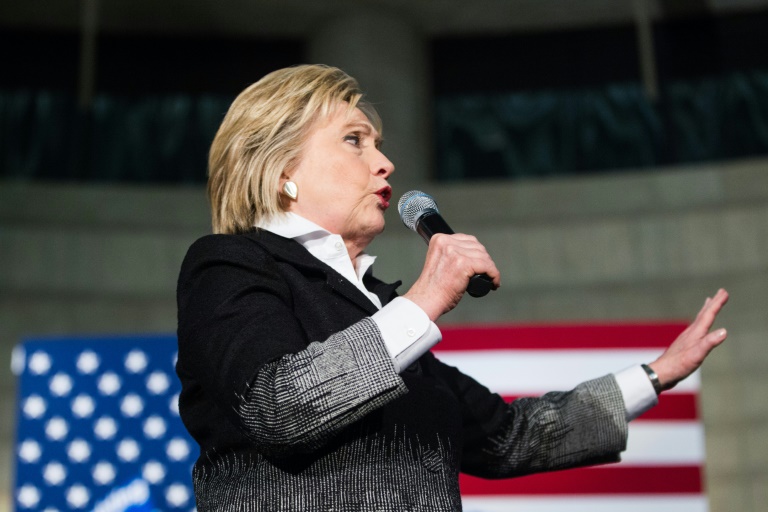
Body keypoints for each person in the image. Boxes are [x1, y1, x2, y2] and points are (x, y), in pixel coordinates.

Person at [175, 64, 729, 511]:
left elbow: (510, 435)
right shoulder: (229, 265)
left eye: (379, 143)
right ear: (279, 170)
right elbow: (281, 406)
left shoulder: (381, 311)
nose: (385, 162)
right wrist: (426, 300)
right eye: (355, 141)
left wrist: (657, 374)